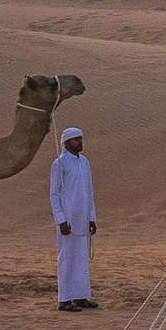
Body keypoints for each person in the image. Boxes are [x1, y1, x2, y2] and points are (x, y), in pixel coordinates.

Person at [49, 127, 97, 311]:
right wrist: (60, 220)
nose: (80, 142)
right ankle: (65, 299)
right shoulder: (59, 164)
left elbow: (89, 192)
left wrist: (92, 217)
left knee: (82, 260)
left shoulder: (84, 162)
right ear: (66, 143)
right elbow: (54, 194)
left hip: (83, 219)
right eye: (76, 139)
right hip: (67, 222)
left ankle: (81, 296)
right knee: (67, 258)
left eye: (80, 139)